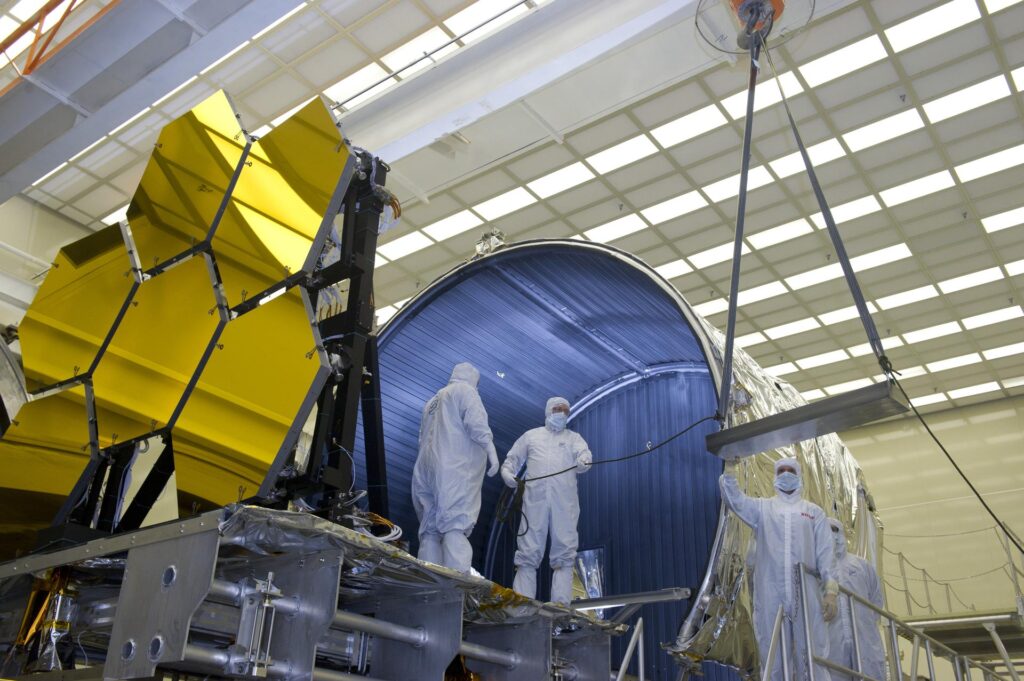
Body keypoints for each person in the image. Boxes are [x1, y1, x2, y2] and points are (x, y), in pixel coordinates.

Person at [720, 457, 839, 681]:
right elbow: (735, 500)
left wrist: (831, 589)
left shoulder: (813, 512)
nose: (786, 474)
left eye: (790, 470)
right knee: (772, 655)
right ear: (775, 476)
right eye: (781, 470)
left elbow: (825, 552)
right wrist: (730, 470)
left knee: (812, 654)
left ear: (799, 474)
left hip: (806, 592)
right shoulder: (763, 508)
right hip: (771, 592)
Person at [501, 397, 592, 605]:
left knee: (565, 549)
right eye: (558, 409)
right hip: (535, 500)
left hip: (565, 503)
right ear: (549, 411)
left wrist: (584, 461)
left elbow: (585, 455)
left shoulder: (573, 438)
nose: (562, 414)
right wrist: (507, 472)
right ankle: (522, 602)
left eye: (566, 411)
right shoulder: (531, 437)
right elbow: (513, 458)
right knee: (528, 549)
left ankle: (561, 604)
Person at [412, 362, 499, 573]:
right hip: (453, 467)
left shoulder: (432, 401)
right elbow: (476, 424)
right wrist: (492, 453)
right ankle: (456, 585)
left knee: (430, 530)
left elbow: (422, 437)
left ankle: (428, 582)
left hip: (425, 469)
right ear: (473, 379)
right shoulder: (465, 391)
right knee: (454, 526)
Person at [827, 518, 886, 681]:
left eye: (835, 530)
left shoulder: (861, 566)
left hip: (865, 640)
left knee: (869, 674)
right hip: (832, 643)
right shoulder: (817, 569)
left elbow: (876, 602)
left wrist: (863, 623)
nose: (832, 536)